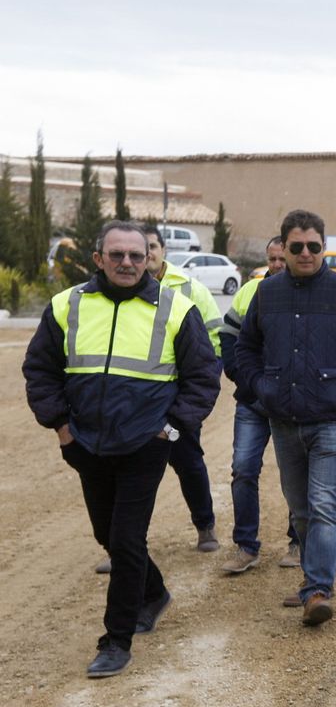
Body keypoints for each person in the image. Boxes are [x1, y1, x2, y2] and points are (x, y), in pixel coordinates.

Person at [24, 221, 221, 677]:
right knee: (107, 534)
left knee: (126, 540)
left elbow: (202, 378)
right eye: (117, 255)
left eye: (136, 255)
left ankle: (117, 639)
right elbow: (40, 369)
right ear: (99, 259)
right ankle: (154, 594)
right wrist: (61, 428)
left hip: (146, 446)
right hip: (85, 444)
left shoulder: (176, 309)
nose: (127, 262)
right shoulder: (67, 305)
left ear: (148, 259)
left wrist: (170, 431)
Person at [236, 209, 336, 624]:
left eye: (314, 246)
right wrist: (260, 386)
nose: (306, 253)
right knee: (300, 509)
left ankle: (318, 589)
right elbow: (245, 348)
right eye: (297, 246)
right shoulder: (266, 294)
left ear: (324, 247)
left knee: (323, 505)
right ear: (283, 248)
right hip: (283, 420)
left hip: (331, 419)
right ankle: (311, 580)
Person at [130, 223, 224, 557]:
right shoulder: (121, 291)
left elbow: (214, 339)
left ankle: (205, 525)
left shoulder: (189, 288)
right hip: (135, 401)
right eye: (144, 248)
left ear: (162, 250)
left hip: (178, 399)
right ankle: (124, 544)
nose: (148, 253)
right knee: (131, 474)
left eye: (153, 246)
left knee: (187, 462)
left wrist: (199, 386)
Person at [217, 236, 299, 573]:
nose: (278, 265)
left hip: (293, 404)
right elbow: (228, 337)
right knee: (243, 470)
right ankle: (246, 546)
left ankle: (298, 542)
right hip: (252, 401)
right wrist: (244, 380)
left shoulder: (304, 294)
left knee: (296, 477)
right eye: (272, 259)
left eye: (283, 258)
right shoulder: (250, 292)